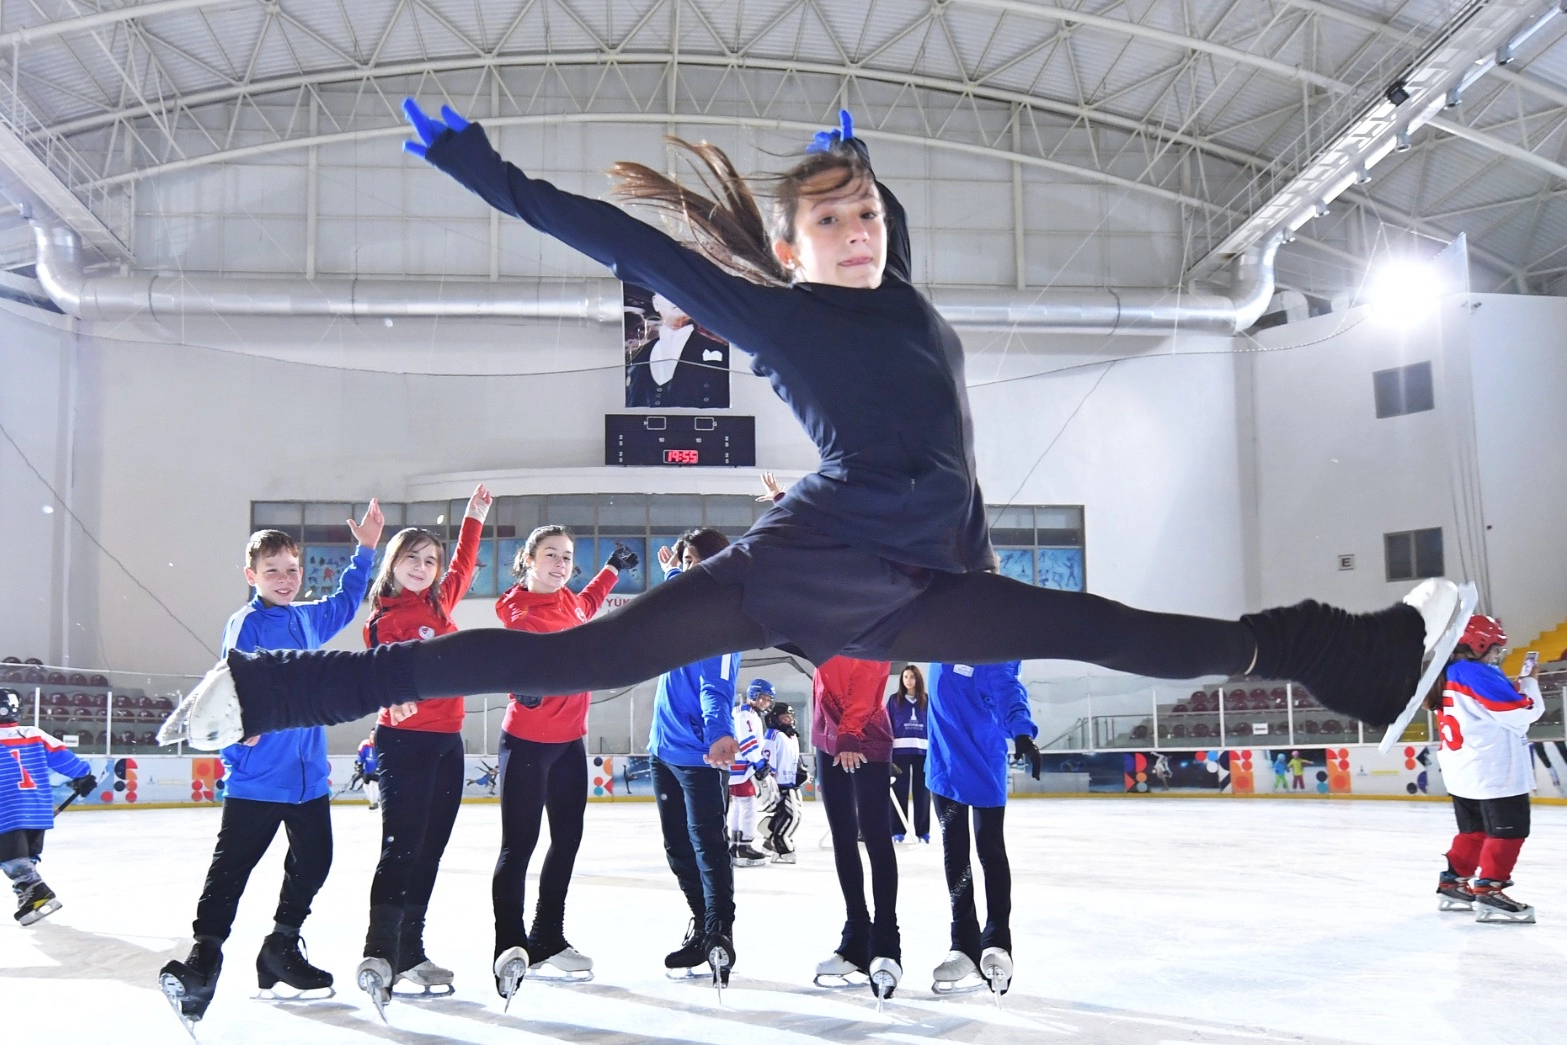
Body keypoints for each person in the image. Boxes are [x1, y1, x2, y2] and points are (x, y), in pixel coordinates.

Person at [162, 104, 1467, 901]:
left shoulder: (909, 298)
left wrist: (855, 151)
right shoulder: (779, 311)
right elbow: (635, 247)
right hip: (805, 563)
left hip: (921, 583)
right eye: (832, 222)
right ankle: (269, 692)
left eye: (864, 215)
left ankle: (1347, 655)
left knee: (1105, 624)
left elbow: (899, 281)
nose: (858, 232)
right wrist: (491, 176)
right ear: (791, 250)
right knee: (566, 655)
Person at [160, 504, 382, 1028]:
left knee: (315, 861)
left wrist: (367, 551)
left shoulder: (306, 617)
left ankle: (280, 949)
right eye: (272, 571)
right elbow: (228, 690)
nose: (284, 579)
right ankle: (203, 959)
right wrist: (244, 736)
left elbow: (350, 601)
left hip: (307, 779)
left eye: (291, 569)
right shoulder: (247, 625)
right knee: (232, 870)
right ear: (251, 576)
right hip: (259, 777)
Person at [355, 484, 491, 1010]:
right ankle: (379, 952)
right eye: (412, 558)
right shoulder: (384, 619)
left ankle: (409, 949)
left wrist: (474, 516)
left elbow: (464, 563)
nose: (424, 567)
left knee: (430, 851)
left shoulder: (441, 602)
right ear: (393, 564)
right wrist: (394, 694)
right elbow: (378, 668)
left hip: (446, 742)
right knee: (402, 846)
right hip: (403, 743)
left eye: (430, 561)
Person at [488, 525, 637, 1002]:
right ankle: (509, 945)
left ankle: (547, 935)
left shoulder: (571, 601)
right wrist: (521, 680)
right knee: (519, 847)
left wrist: (612, 569)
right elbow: (514, 641)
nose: (560, 563)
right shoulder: (519, 609)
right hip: (529, 744)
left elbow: (588, 604)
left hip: (571, 744)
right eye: (550, 554)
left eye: (567, 557)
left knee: (567, 841)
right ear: (529, 559)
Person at [646, 528, 743, 985]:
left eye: (696, 560)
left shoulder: (721, 620)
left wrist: (720, 733)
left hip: (699, 753)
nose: (688, 567)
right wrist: (671, 570)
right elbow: (677, 586)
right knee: (677, 849)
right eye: (685, 559)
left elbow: (716, 685)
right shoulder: (681, 602)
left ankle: (720, 933)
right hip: (661, 748)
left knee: (707, 847)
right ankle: (702, 927)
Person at [925, 661, 1039, 996]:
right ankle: (963, 944)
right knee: (955, 853)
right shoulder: (936, 640)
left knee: (990, 849)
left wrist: (1022, 731)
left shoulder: (992, 641)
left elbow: (1008, 687)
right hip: (944, 764)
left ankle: (997, 942)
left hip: (985, 760)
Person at [1425, 615, 1545, 923]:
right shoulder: (1474, 671)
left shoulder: (1447, 672)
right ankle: (1490, 888)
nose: (1496, 655)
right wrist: (1530, 682)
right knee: (1508, 831)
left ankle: (1452, 882)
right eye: (1494, 648)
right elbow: (1523, 714)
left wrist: (1512, 686)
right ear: (1478, 644)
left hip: (1463, 770)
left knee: (1474, 831)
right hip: (1494, 770)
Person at [811, 656, 902, 998]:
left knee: (876, 837)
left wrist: (849, 731)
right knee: (843, 837)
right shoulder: (815, 614)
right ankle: (856, 940)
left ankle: (886, 945)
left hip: (865, 733)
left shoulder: (866, 610)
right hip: (826, 734)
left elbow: (870, 667)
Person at [0, 688, 96, 925]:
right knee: (25, 855)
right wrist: (82, 776)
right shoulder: (34, 733)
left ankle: (34, 891)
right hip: (37, 808)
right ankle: (28, 896)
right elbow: (68, 761)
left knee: (11, 856)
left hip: (6, 808)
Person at [625, 290, 731, 409]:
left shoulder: (722, 353)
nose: (676, 298)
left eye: (683, 292)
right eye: (666, 290)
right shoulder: (638, 356)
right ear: (655, 302)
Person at [729, 680, 772, 867]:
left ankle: (736, 845)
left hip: (739, 767)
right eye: (762, 697)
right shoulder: (745, 714)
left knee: (740, 804)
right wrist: (758, 761)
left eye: (768, 699)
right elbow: (747, 742)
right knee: (747, 804)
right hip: (741, 766)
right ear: (753, 695)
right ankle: (744, 845)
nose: (765, 702)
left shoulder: (747, 713)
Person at [886, 664, 930, 842]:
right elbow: (887, 725)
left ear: (917, 679)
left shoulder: (927, 700)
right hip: (899, 752)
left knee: (922, 792)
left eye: (911, 677)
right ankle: (898, 830)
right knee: (899, 791)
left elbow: (933, 725)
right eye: (905, 677)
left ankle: (923, 832)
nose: (908, 680)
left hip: (923, 751)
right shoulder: (894, 700)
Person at [758, 700, 805, 863]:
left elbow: (795, 758)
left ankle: (769, 843)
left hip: (791, 782)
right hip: (779, 784)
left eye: (791, 716)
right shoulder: (773, 735)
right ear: (775, 718)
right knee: (790, 817)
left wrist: (801, 770)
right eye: (786, 717)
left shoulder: (791, 735)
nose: (790, 720)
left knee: (791, 815)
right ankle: (781, 848)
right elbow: (768, 758)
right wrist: (769, 783)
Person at [354, 733, 380, 810]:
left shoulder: (380, 744)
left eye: (375, 734)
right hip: (368, 770)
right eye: (371, 734)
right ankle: (373, 801)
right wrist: (359, 764)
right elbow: (361, 756)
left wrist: (380, 767)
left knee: (373, 785)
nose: (373, 736)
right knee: (366, 786)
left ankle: (374, 802)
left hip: (377, 770)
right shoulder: (365, 744)